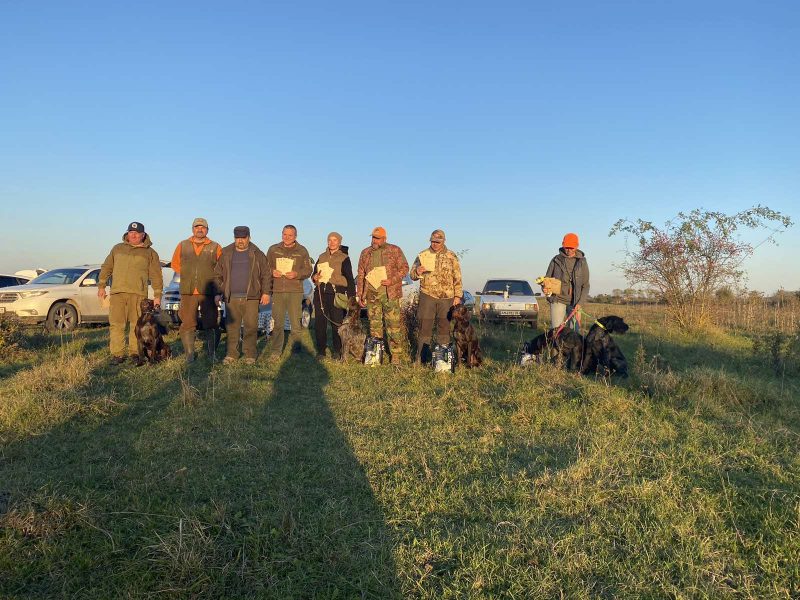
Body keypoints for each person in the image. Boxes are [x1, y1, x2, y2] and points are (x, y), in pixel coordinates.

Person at [98, 221, 163, 364]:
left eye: (137, 233)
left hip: (138, 294)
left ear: (143, 235)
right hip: (117, 293)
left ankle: (136, 353)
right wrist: (101, 285)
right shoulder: (117, 248)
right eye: (131, 232)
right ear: (127, 233)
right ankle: (117, 354)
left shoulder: (150, 253)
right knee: (116, 324)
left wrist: (157, 296)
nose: (133, 235)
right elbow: (107, 267)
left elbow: (156, 275)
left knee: (136, 325)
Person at [214, 226, 270, 365]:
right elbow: (217, 275)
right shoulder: (226, 252)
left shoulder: (257, 253)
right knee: (232, 327)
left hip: (251, 296)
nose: (240, 241)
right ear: (234, 238)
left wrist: (266, 293)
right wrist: (220, 291)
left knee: (251, 326)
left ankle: (250, 354)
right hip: (231, 297)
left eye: (243, 238)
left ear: (249, 237)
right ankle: (232, 354)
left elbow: (266, 274)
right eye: (237, 238)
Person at [170, 217, 222, 362]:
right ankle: (190, 355)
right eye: (197, 227)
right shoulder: (183, 245)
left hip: (208, 292)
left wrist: (218, 291)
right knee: (187, 323)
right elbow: (175, 264)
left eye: (203, 227)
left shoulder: (215, 246)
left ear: (207, 230)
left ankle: (212, 354)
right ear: (192, 229)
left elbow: (221, 268)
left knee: (211, 323)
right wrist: (188, 274)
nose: (200, 229)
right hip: (188, 291)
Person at [356, 226, 410, 365]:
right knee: (374, 326)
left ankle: (396, 355)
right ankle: (375, 354)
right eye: (373, 237)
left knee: (393, 325)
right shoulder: (365, 253)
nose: (375, 240)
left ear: (384, 239)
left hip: (390, 293)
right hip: (372, 294)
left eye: (378, 238)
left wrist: (392, 280)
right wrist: (360, 294)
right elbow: (361, 274)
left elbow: (405, 268)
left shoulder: (394, 250)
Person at [410, 229, 463, 363]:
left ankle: (442, 358)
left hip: (447, 298)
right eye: (433, 241)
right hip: (427, 296)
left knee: (444, 327)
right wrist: (417, 271)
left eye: (438, 242)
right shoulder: (423, 255)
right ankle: (421, 358)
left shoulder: (452, 256)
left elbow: (457, 277)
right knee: (424, 327)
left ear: (443, 241)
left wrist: (457, 296)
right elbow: (412, 275)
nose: (435, 244)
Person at [265, 225, 313, 357]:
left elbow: (309, 270)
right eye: (284, 234)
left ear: (295, 236)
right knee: (278, 323)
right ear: (281, 234)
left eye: (290, 235)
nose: (287, 237)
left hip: (295, 291)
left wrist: (297, 274)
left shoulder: (302, 251)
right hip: (278, 290)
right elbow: (264, 267)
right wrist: (272, 271)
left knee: (295, 324)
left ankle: (296, 350)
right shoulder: (273, 249)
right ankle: (276, 351)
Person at [311, 231, 356, 359]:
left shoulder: (344, 258)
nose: (331, 242)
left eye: (334, 240)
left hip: (337, 293)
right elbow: (314, 274)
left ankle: (337, 351)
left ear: (339, 242)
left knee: (337, 324)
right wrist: (314, 277)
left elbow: (350, 279)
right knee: (320, 324)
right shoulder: (321, 256)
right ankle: (321, 351)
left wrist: (352, 298)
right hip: (320, 294)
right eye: (329, 240)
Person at [545, 232, 590, 331]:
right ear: (562, 244)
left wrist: (580, 303)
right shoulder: (555, 260)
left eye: (572, 247)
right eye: (567, 247)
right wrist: (546, 289)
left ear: (577, 246)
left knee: (575, 333)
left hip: (575, 303)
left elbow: (586, 285)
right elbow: (546, 280)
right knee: (556, 331)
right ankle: (556, 346)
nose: (569, 250)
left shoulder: (582, 261)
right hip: (558, 299)